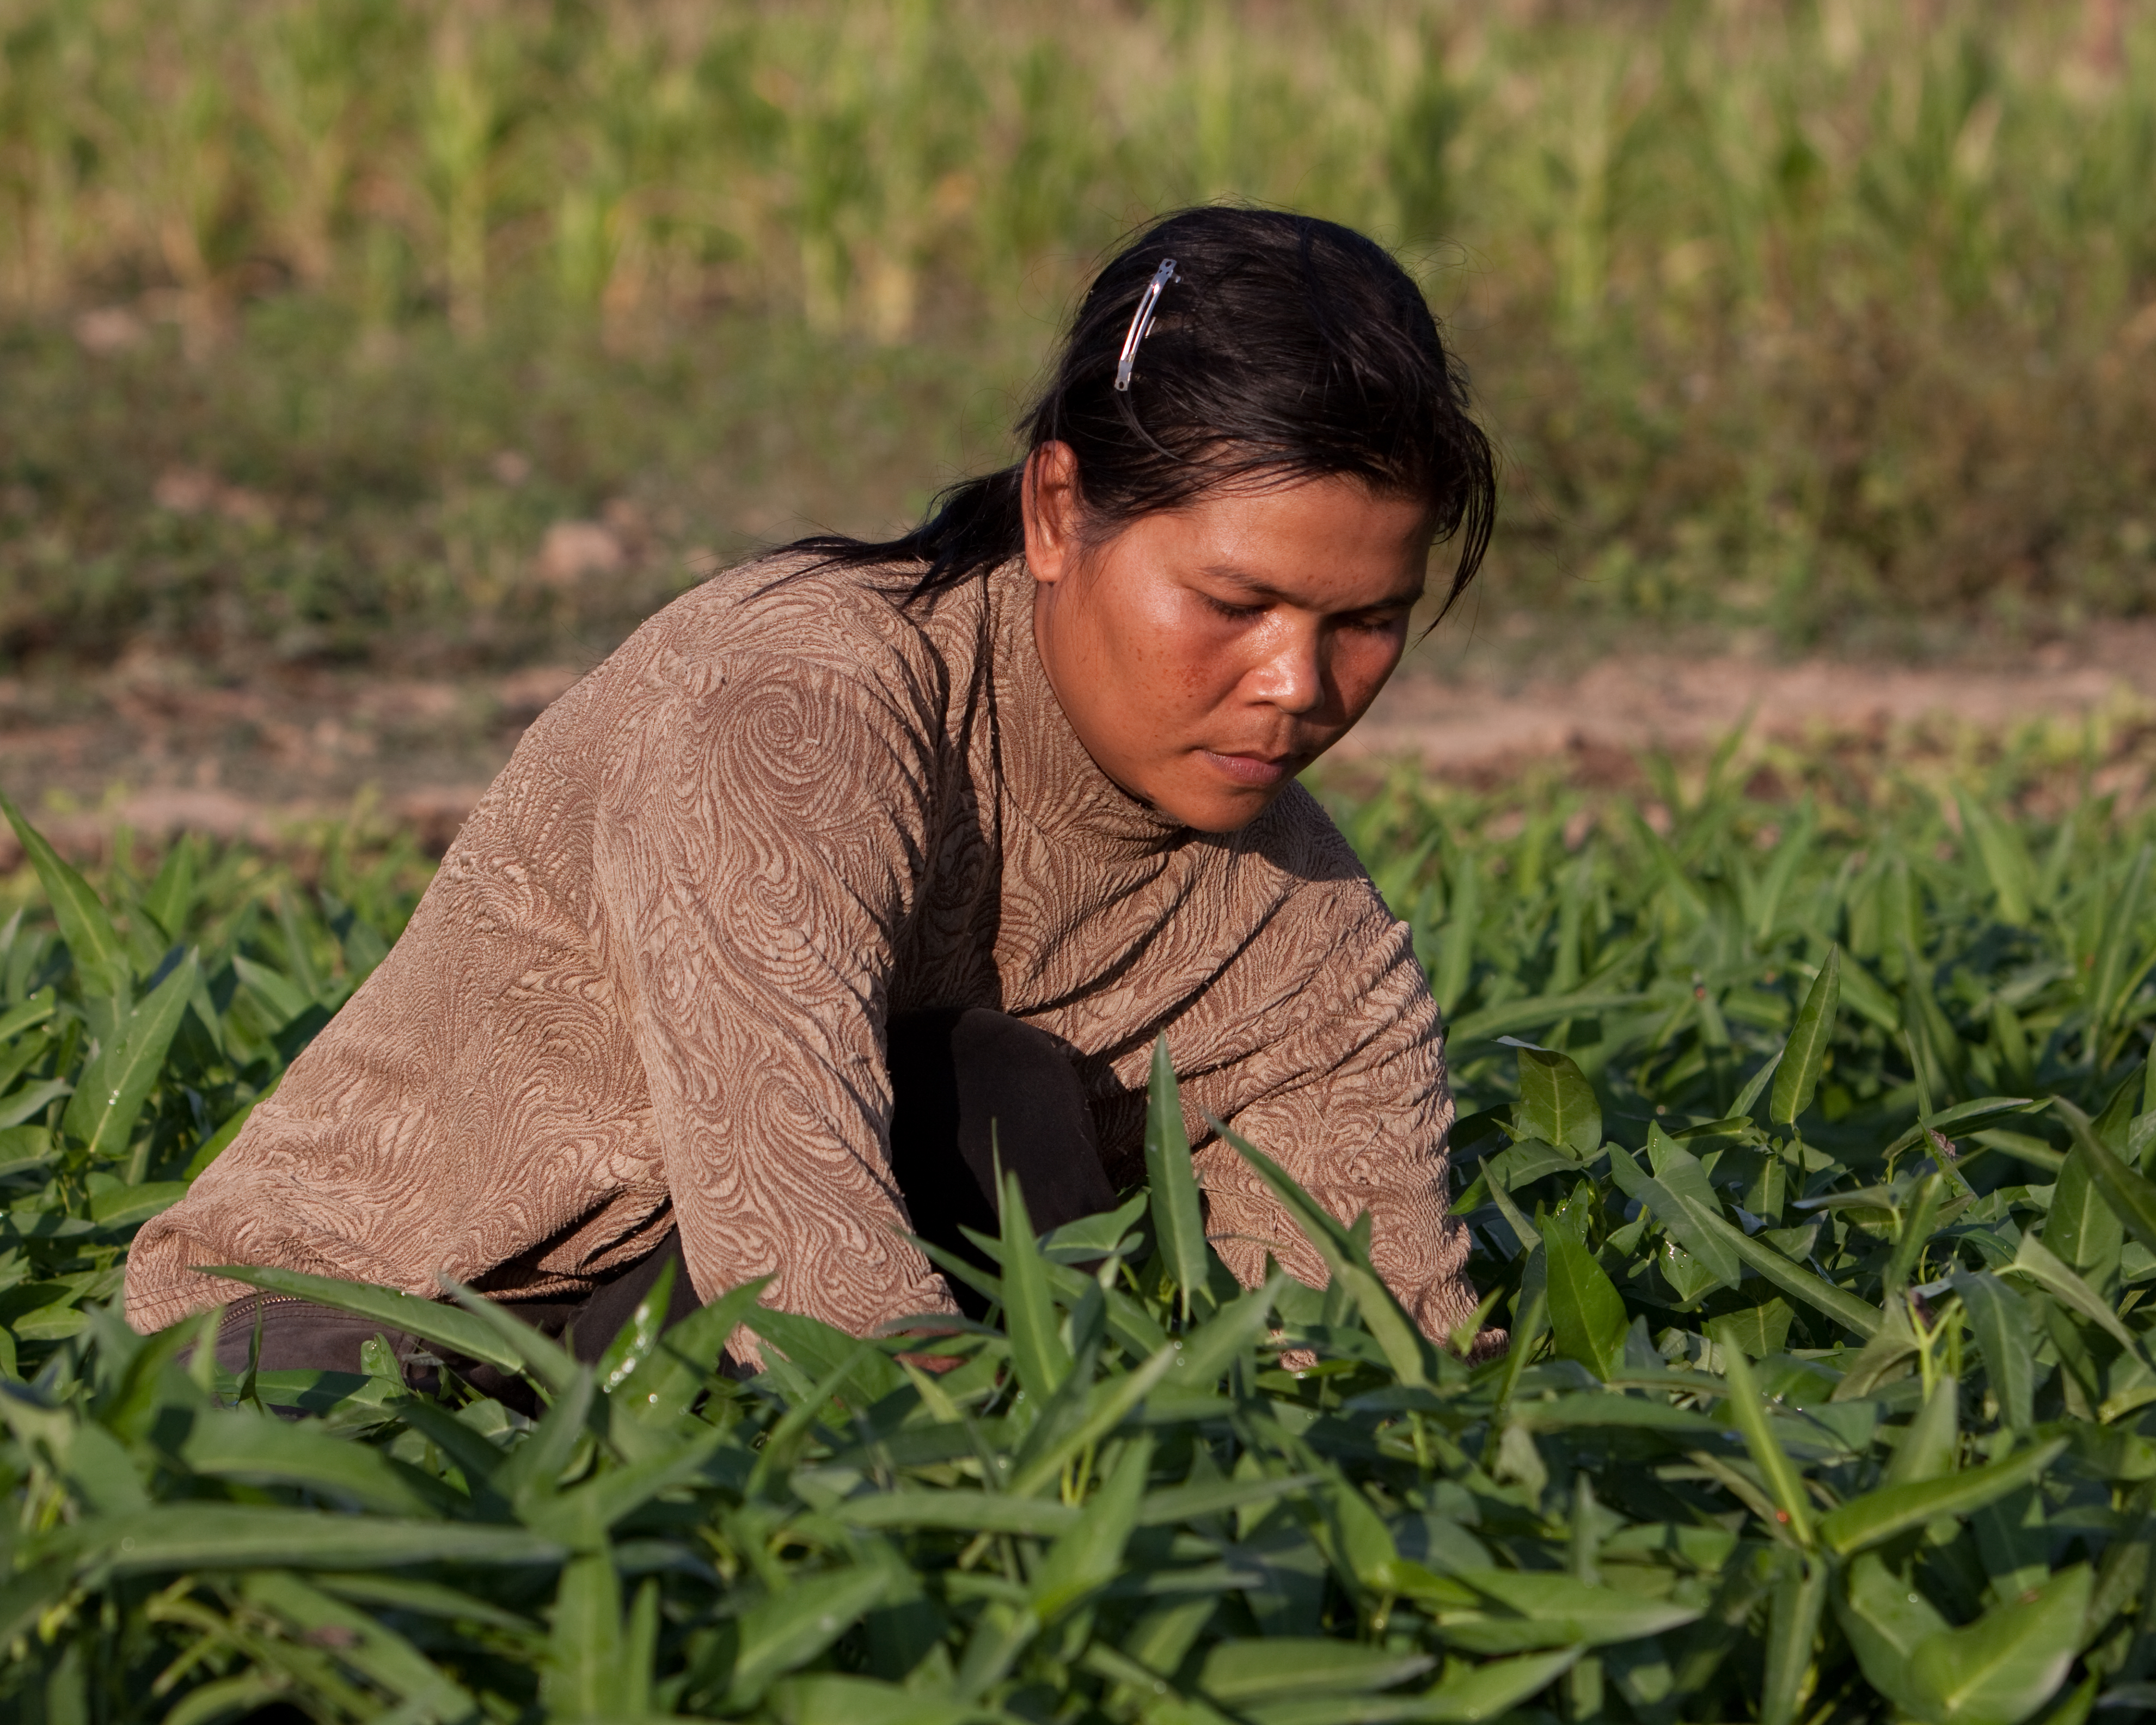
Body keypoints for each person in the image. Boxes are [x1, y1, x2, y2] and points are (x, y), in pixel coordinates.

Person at [123, 206, 1499, 1380]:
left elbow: (1371, 1351)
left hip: (671, 1351)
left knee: (996, 1099)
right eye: (1236, 601)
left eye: (1365, 622)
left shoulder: (1311, 943)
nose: (1294, 684)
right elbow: (800, 1264)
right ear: (1056, 510)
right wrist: (990, 1502)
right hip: (346, 1332)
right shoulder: (793, 711)